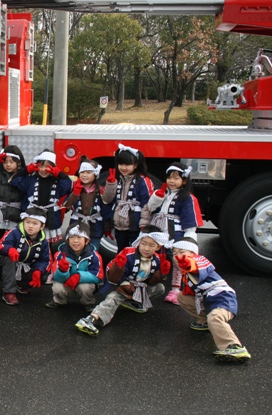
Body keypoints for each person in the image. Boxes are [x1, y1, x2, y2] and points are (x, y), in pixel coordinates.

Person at [75, 226, 170, 336]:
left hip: (138, 287)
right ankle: (90, 319)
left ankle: (132, 302)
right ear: (139, 241)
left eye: (151, 245)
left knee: (159, 288)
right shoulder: (128, 254)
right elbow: (112, 278)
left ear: (158, 247)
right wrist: (118, 267)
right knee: (112, 300)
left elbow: (152, 281)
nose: (146, 248)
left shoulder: (156, 259)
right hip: (122, 286)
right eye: (143, 243)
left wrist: (162, 273)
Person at [173, 237, 250, 362]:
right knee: (182, 297)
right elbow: (191, 289)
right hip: (209, 299)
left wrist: (189, 264)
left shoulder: (199, 260)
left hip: (223, 296)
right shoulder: (186, 272)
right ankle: (205, 321)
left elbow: (197, 266)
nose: (177, 256)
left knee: (215, 317)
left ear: (193, 253)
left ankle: (233, 346)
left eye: (182, 252)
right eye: (175, 253)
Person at [140, 162, 204, 305]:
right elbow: (150, 208)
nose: (172, 181)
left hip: (176, 235)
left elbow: (190, 223)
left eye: (176, 178)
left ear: (184, 180)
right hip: (159, 233)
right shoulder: (164, 193)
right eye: (169, 178)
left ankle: (176, 289)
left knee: (177, 262)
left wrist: (189, 241)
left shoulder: (188, 198)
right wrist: (158, 196)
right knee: (157, 259)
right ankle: (150, 283)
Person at [11, 149, 72, 246]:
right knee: (30, 241)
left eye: (47, 167)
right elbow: (15, 180)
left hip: (50, 216)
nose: (43, 169)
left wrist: (60, 174)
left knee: (48, 244)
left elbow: (68, 186)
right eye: (41, 166)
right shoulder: (30, 179)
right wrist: (26, 170)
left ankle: (48, 259)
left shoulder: (57, 181)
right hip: (32, 215)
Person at [102, 143, 154, 253]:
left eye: (127, 165)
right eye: (120, 164)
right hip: (119, 225)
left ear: (135, 165)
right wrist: (111, 184)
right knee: (121, 252)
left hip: (135, 224)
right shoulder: (117, 178)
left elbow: (147, 205)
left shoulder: (143, 181)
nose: (123, 168)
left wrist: (144, 225)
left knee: (136, 252)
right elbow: (107, 199)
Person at [0, 207, 51, 306]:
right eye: (28, 222)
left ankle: (20, 284)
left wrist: (38, 271)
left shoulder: (44, 242)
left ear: (42, 226)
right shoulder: (14, 233)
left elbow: (45, 260)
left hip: (25, 267)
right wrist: (10, 250)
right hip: (5, 265)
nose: (30, 226)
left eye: (35, 223)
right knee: (10, 258)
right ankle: (8, 292)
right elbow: (0, 245)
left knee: (42, 276)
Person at [46, 222, 103, 312]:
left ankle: (88, 303)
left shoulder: (94, 255)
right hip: (66, 284)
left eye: (79, 237)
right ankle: (60, 301)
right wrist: (63, 271)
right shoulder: (59, 255)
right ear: (67, 240)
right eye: (71, 237)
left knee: (85, 288)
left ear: (87, 240)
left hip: (83, 285)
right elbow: (55, 277)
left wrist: (79, 276)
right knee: (57, 287)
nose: (75, 241)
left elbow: (98, 276)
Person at [62, 156, 112, 250]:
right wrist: (75, 193)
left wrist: (107, 228)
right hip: (77, 224)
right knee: (76, 250)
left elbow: (106, 210)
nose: (85, 175)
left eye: (88, 172)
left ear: (95, 175)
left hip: (95, 226)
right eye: (82, 172)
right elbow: (67, 205)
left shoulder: (100, 191)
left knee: (92, 251)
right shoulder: (75, 188)